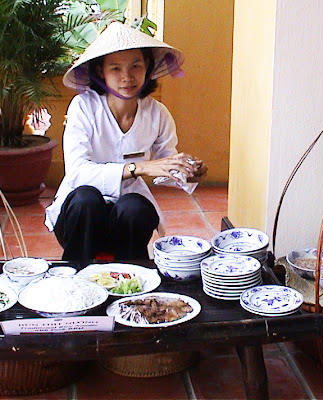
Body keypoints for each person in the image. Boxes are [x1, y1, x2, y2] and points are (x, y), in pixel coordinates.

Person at [44, 21, 207, 263]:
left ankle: (132, 280)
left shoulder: (157, 113)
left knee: (135, 207)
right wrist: (138, 168)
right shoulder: (83, 107)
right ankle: (76, 276)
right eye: (116, 69)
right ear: (100, 71)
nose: (127, 77)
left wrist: (187, 172)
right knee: (86, 198)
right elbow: (77, 172)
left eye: (135, 66)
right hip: (80, 221)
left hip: (126, 220)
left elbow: (164, 164)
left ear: (147, 68)